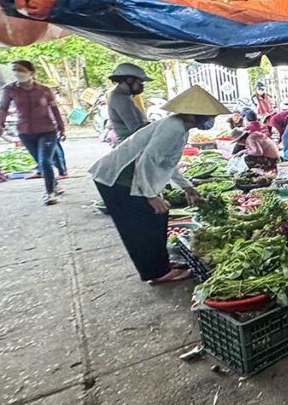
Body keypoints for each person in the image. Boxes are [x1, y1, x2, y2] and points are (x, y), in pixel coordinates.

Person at [90, 86, 228, 283]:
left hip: (133, 176)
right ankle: (156, 273)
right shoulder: (172, 127)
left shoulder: (180, 128)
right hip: (120, 178)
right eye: (208, 115)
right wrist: (150, 195)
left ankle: (161, 265)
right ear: (194, 113)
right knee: (141, 225)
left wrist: (187, 187)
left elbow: (168, 163)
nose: (210, 119)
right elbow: (148, 160)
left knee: (158, 217)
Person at [0, 60, 66, 205]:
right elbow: (3, 108)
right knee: (41, 163)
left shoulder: (44, 90)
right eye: (14, 69)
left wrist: (61, 127)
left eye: (20, 70)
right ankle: (53, 184)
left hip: (47, 130)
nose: (16, 73)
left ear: (31, 73)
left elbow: (54, 109)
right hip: (25, 132)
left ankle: (50, 193)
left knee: (45, 161)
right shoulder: (10, 90)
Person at [107, 63, 151, 143]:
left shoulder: (123, 96)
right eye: (139, 83)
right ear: (129, 80)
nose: (141, 86)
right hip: (130, 144)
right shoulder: (120, 99)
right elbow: (136, 129)